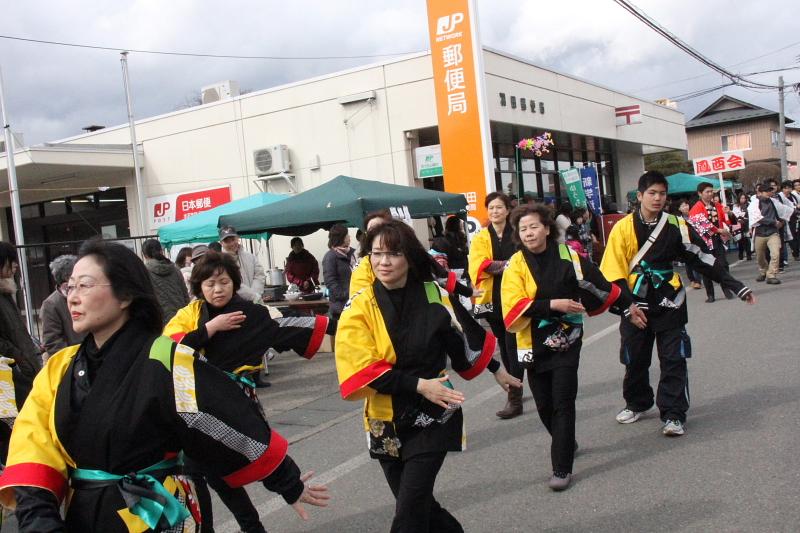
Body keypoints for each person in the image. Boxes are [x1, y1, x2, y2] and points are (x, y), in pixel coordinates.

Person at [0, 240, 329, 532]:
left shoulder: (167, 360)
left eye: (85, 285)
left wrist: (286, 481)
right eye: (69, 286)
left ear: (126, 294)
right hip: (82, 515)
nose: (73, 296)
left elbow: (223, 420)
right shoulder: (59, 368)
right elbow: (33, 445)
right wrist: (40, 520)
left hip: (157, 515)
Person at [335, 220, 521, 533]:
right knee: (418, 504)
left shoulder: (434, 293)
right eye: (376, 254)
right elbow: (360, 367)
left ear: (409, 256)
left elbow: (460, 337)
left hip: (434, 413)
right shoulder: (359, 306)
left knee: (408, 514)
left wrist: (496, 368)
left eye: (392, 254)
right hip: (385, 418)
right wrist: (418, 385)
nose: (383, 261)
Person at [165, 250, 332, 533]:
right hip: (195, 408)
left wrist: (340, 326)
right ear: (198, 287)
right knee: (202, 473)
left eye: (223, 282)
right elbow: (169, 350)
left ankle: (263, 514)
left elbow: (283, 328)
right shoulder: (190, 316)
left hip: (237, 406)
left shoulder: (252, 314)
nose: (217, 289)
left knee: (229, 466)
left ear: (234, 281)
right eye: (209, 284)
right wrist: (210, 328)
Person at [600, 171, 755, 437]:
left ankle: (673, 414)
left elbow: (701, 258)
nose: (658, 198)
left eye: (662, 194)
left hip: (669, 299)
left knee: (674, 358)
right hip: (634, 301)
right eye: (652, 193)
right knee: (634, 358)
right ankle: (637, 402)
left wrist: (735, 285)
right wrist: (627, 306)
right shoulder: (622, 228)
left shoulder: (677, 225)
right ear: (640, 196)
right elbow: (613, 272)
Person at [502, 204, 634, 490]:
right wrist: (552, 304)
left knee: (563, 402)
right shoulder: (515, 264)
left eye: (533, 226)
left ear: (547, 228)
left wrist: (628, 306)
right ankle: (567, 440)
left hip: (566, 339)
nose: (528, 233)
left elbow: (600, 285)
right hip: (531, 342)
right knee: (543, 406)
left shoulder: (568, 255)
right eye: (522, 229)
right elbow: (511, 307)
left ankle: (561, 467)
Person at [469, 192, 524, 419]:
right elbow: (479, 264)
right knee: (503, 342)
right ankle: (516, 384)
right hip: (492, 299)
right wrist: (509, 264)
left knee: (512, 344)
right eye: (491, 208)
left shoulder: (517, 234)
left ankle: (515, 397)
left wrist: (500, 265)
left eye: (499, 207)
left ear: (507, 210)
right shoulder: (482, 237)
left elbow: (525, 260)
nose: (494, 212)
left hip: (515, 296)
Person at [0, 242, 42, 380]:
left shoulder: (5, 291)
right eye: (11, 260)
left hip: (24, 367)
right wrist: (19, 357)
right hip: (12, 373)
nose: (15, 265)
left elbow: (16, 331)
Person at [689, 182, 734, 302]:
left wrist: (729, 213)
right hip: (703, 241)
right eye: (707, 192)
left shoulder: (718, 205)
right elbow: (701, 225)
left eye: (711, 191)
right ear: (700, 194)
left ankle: (726, 288)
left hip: (717, 239)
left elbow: (728, 221)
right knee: (707, 267)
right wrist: (718, 230)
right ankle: (710, 294)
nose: (710, 194)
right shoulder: (696, 208)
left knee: (723, 264)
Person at [40, 254, 86, 358]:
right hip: (73, 359)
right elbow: (52, 341)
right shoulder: (51, 304)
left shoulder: (85, 294)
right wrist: (73, 360)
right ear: (67, 277)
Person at [749, 182, 793, 284]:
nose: (769, 193)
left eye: (770, 190)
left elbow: (784, 211)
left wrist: (781, 222)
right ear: (760, 192)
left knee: (775, 253)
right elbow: (757, 218)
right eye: (767, 191)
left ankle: (771, 274)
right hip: (760, 233)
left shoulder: (773, 201)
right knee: (760, 256)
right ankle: (763, 271)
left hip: (773, 232)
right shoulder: (754, 203)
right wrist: (774, 222)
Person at [142, 238, 190, 324]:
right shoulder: (175, 269)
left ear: (145, 255)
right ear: (161, 251)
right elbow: (185, 295)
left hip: (159, 322)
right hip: (181, 318)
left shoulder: (144, 272)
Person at [218, 226, 265, 302]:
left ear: (237, 238)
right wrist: (253, 296)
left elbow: (259, 275)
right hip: (234, 302)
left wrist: (256, 294)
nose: (231, 243)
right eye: (227, 241)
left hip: (255, 300)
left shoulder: (250, 256)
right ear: (221, 243)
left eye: (233, 239)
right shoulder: (220, 261)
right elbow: (233, 282)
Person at [323, 224, 356, 321]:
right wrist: (345, 295)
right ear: (341, 238)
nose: (349, 237)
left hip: (355, 302)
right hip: (340, 307)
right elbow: (330, 281)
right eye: (347, 235)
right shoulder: (330, 257)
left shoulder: (352, 254)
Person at [677, 200, 702, 289]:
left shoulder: (694, 215)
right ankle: (692, 280)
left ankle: (697, 281)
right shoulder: (678, 219)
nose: (685, 207)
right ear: (679, 209)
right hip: (685, 243)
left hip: (696, 242)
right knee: (688, 262)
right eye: (682, 206)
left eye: (686, 205)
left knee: (696, 260)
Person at [731, 193, 753, 261]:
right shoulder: (736, 206)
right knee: (740, 240)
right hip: (739, 225)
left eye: (744, 198)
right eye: (741, 198)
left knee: (747, 239)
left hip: (747, 224)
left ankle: (749, 254)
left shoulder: (748, 205)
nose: (743, 199)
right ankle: (741, 254)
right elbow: (735, 214)